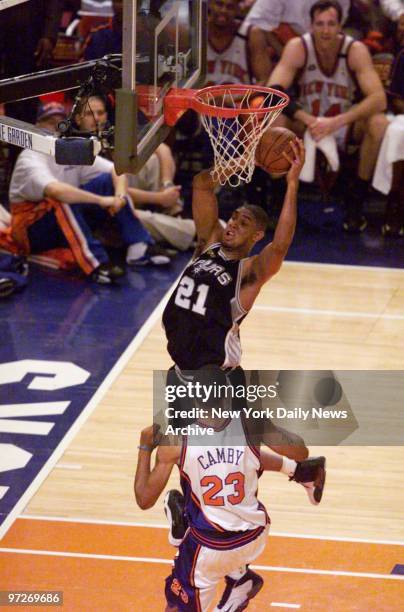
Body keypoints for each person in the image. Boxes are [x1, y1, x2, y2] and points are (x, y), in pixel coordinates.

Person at [135, 367, 326, 612]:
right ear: (227, 394)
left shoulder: (176, 442)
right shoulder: (250, 424)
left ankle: (183, 532)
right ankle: (238, 578)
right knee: (245, 458)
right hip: (254, 536)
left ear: (192, 398)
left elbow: (144, 499)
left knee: (176, 605)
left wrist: (144, 447)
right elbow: (301, 451)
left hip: (209, 549)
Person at [9, 101, 171, 285]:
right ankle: (96, 264)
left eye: (60, 121)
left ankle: (140, 246)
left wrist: (118, 197)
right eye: (49, 121)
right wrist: (102, 200)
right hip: (31, 232)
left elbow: (116, 171)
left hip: (71, 216)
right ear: (37, 126)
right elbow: (57, 191)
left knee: (106, 182)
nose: (55, 126)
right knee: (60, 199)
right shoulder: (30, 157)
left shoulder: (71, 149)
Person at [267, 0, 388, 232]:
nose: (325, 30)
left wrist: (336, 122)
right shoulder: (298, 47)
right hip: (307, 123)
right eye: (320, 24)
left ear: (340, 25)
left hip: (342, 123)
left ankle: (356, 202)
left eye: (331, 24)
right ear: (310, 25)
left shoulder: (354, 50)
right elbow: (273, 93)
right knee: (274, 121)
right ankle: (278, 200)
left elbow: (379, 99)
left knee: (378, 123)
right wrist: (307, 119)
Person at [74, 95, 195, 250]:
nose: (97, 118)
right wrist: (159, 198)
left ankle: (173, 212)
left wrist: (167, 184)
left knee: (151, 160)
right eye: (90, 114)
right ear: (78, 119)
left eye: (101, 113)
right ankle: (196, 232)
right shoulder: (78, 147)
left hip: (123, 197)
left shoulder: (109, 134)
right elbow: (109, 188)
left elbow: (162, 149)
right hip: (101, 209)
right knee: (140, 218)